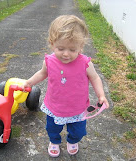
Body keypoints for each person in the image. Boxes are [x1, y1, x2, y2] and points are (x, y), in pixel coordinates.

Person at [22, 15, 109, 157]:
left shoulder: (85, 63)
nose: (66, 54)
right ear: (52, 43)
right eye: (60, 48)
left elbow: (95, 77)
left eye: (72, 50)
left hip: (78, 109)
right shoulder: (49, 61)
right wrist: (29, 82)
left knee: (78, 131)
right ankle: (54, 142)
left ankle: (72, 140)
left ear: (81, 47)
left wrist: (101, 95)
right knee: (52, 129)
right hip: (54, 107)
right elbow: (42, 73)